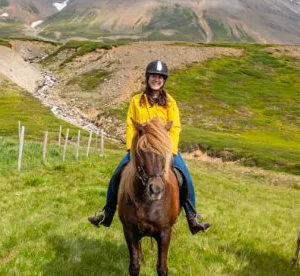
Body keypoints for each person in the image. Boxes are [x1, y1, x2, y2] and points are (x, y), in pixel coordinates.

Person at [87, 60, 211, 235]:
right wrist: (132, 148)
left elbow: (175, 127)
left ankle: (192, 218)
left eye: (160, 77)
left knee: (186, 178)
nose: (157, 80)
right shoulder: (136, 101)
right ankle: (107, 213)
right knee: (117, 175)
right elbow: (131, 125)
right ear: (147, 77)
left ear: (164, 80)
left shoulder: (170, 103)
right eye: (154, 76)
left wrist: (170, 150)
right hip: (141, 150)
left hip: (163, 150)